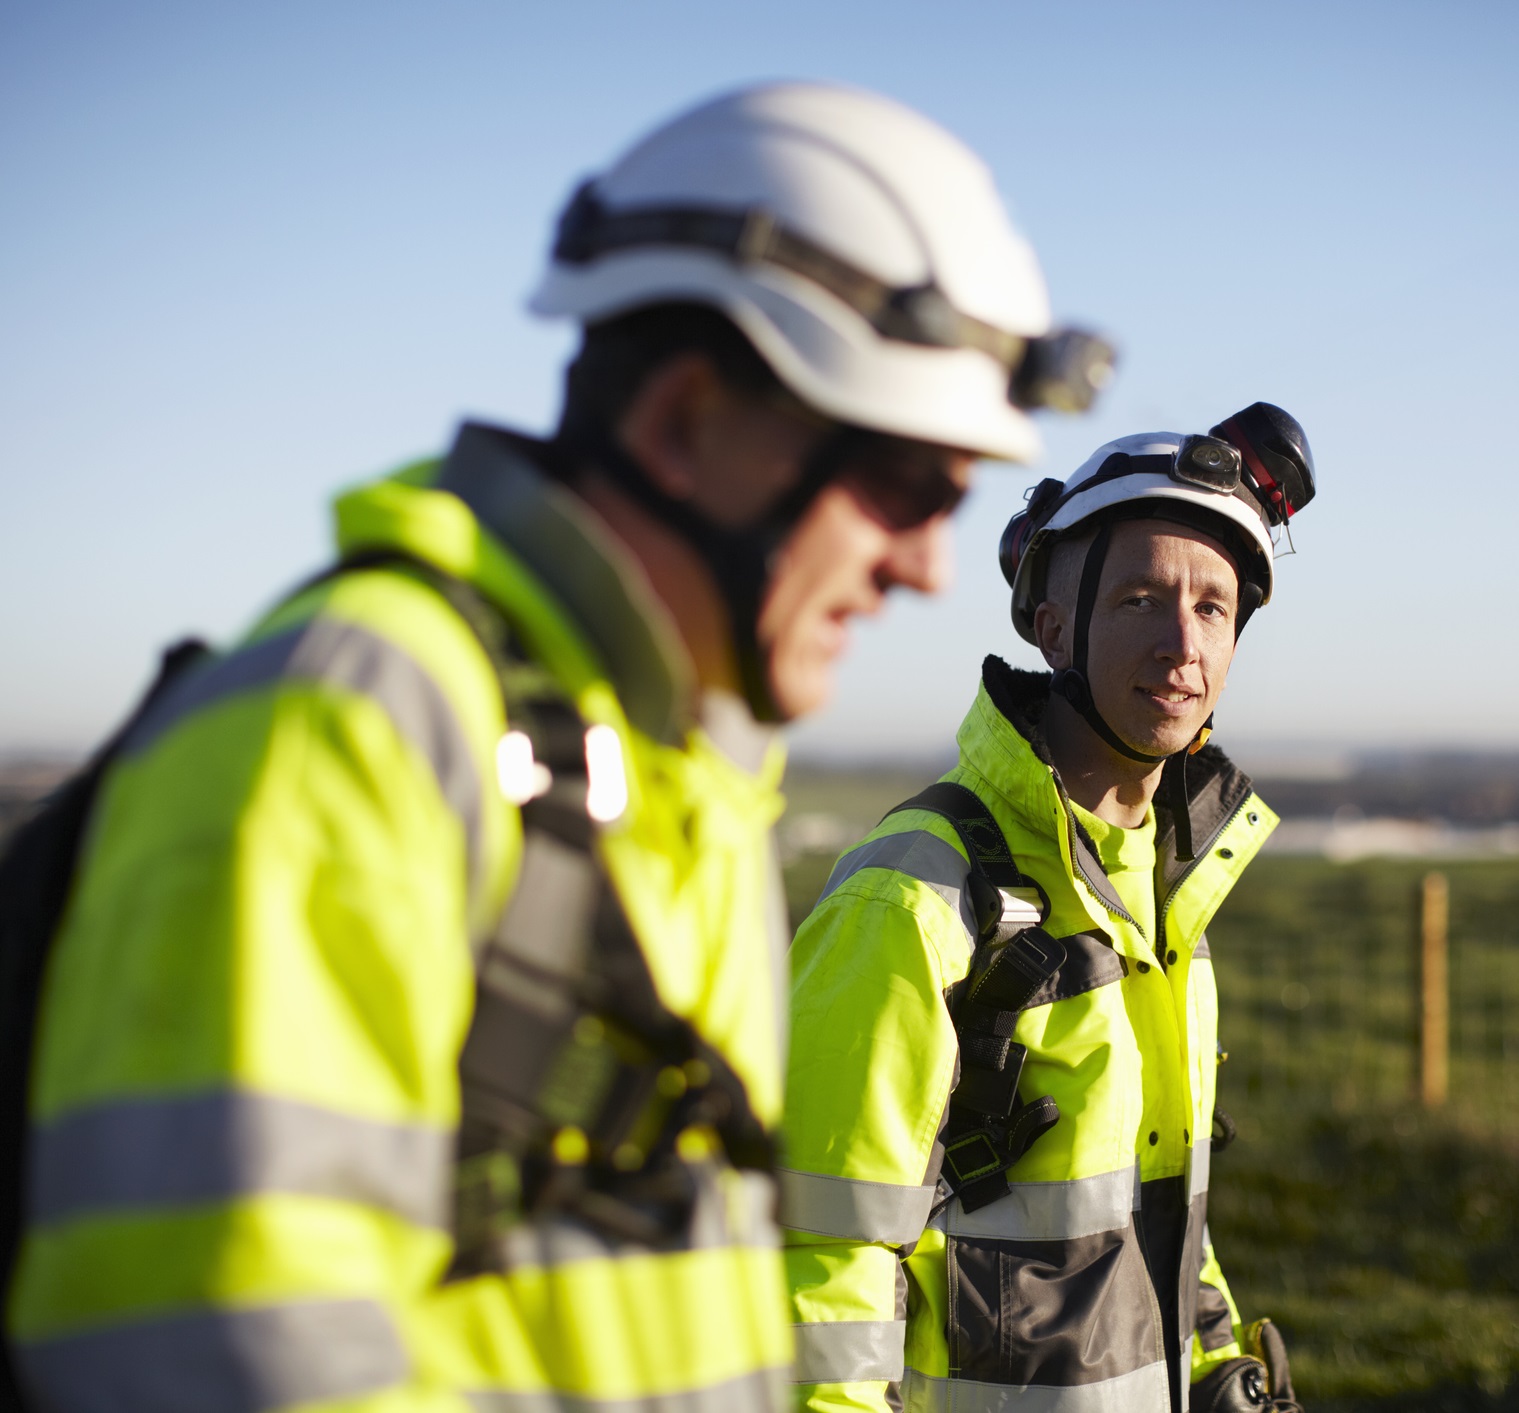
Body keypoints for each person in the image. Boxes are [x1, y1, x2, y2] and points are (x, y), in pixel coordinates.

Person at [4, 83, 1113, 1412]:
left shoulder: (670, 773)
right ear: (681, 423)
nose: (928, 568)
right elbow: (211, 1354)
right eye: (900, 485)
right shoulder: (355, 722)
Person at [782, 407, 1316, 1413]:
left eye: (1213, 608)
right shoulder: (912, 896)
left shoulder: (1164, 900)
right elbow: (820, 1255)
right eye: (1139, 598)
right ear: (1049, 622)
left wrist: (1214, 1370)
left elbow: (1164, 1222)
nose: (1180, 643)